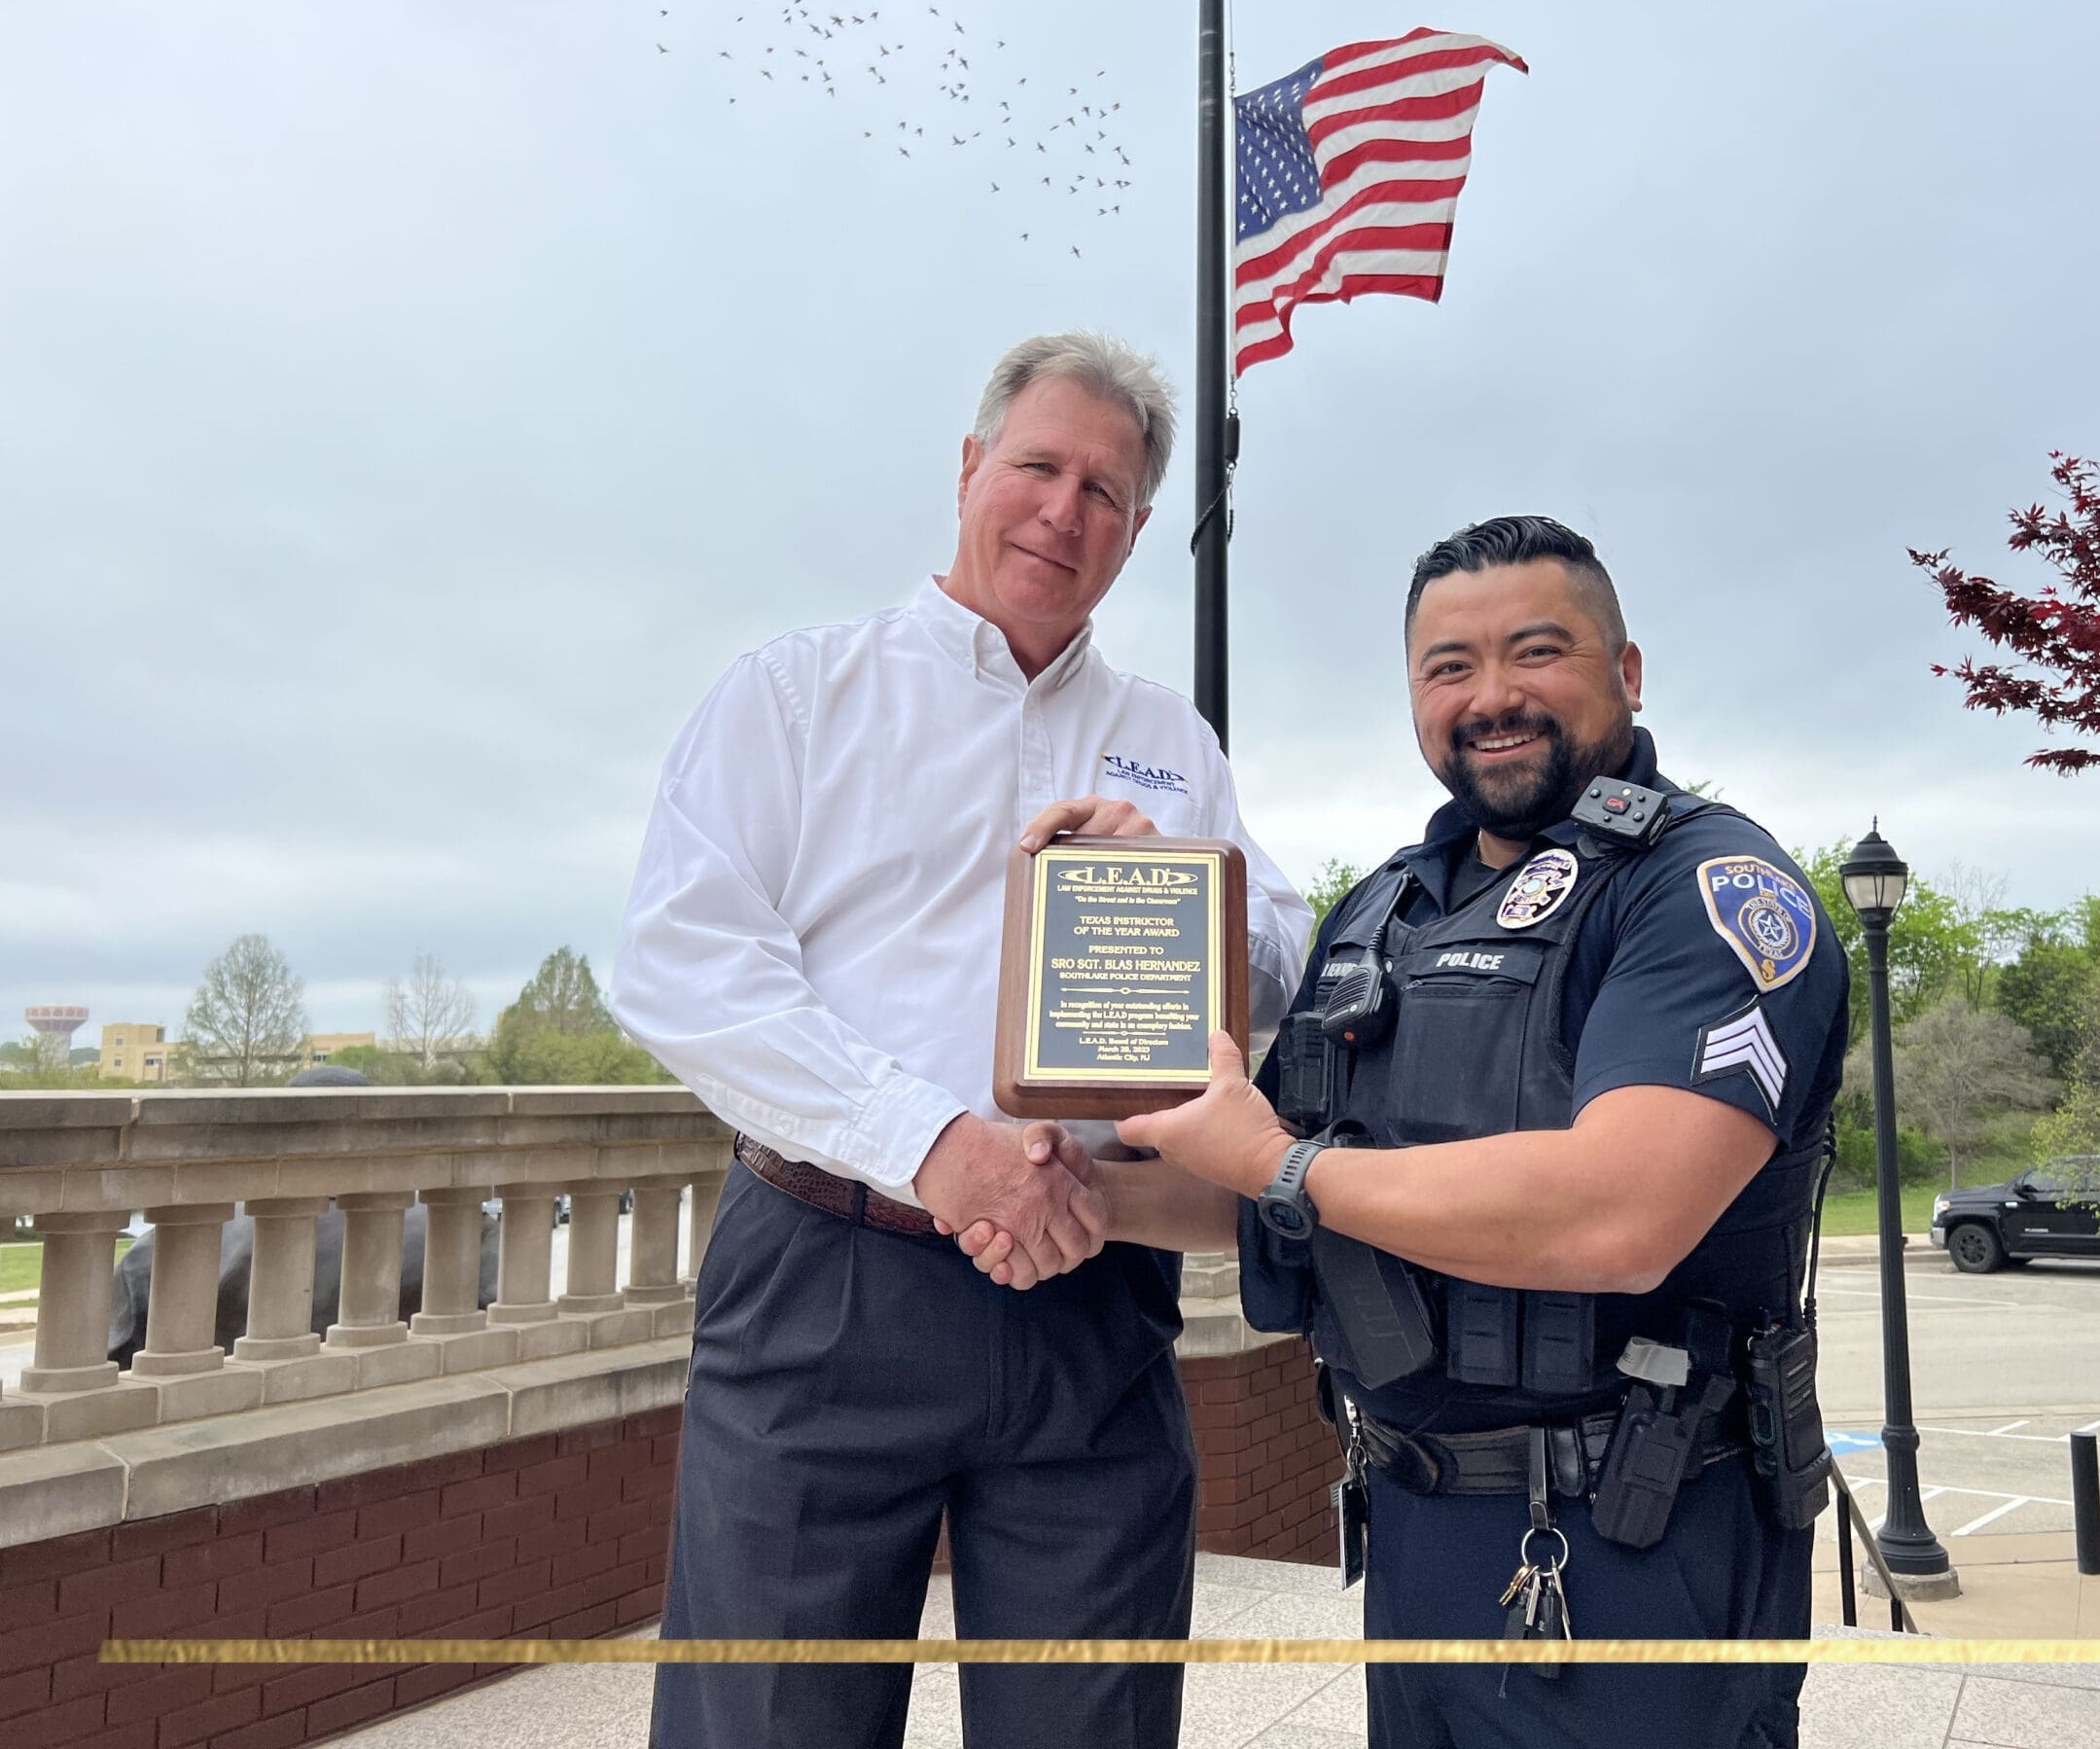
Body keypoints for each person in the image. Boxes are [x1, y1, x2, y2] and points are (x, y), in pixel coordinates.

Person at [961, 515, 1847, 1748]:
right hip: (1418, 1528)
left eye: (1536, 652)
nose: (1491, 697)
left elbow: (1622, 1214)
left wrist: (1277, 1160)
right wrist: (1080, 1195)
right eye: (1448, 667)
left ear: (1628, 671)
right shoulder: (1385, 911)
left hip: (1642, 1539)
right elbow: (1268, 1187)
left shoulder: (1702, 891)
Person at [611, 331, 1314, 1749]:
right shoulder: (799, 694)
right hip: (828, 1278)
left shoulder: (1171, 743)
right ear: (969, 467)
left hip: (1092, 1295)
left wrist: (1181, 892)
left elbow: (1285, 968)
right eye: (1039, 466)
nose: (1064, 510)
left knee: (1093, 1724)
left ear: (1137, 532)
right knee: (767, 1725)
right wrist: (935, 1145)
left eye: (1105, 491)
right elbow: (684, 963)